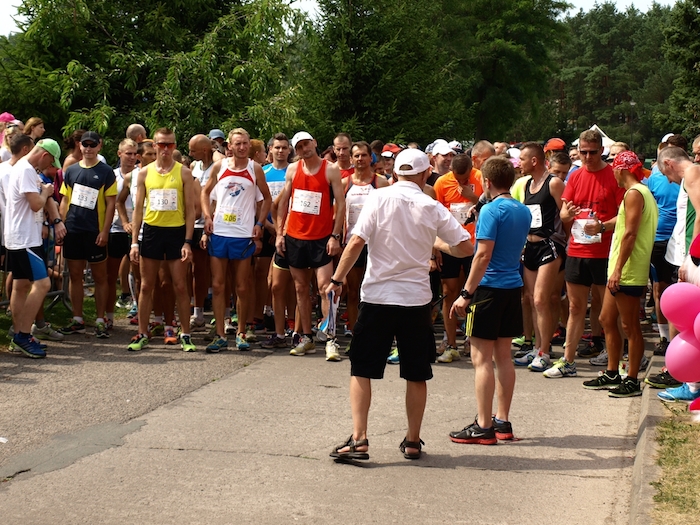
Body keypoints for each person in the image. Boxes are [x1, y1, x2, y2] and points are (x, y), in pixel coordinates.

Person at [327, 148, 473, 462]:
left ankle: (359, 438)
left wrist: (337, 280)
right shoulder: (431, 205)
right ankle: (413, 440)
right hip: (415, 300)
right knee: (416, 373)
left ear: (395, 173)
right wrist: (436, 242)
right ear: (425, 174)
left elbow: (356, 241)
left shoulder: (377, 198)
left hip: (377, 297)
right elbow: (465, 247)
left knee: (361, 368)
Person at [450, 156, 530, 444]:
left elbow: (482, 255)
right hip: (512, 286)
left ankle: (483, 425)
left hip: (488, 289)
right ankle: (502, 421)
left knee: (481, 358)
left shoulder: (491, 210)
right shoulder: (522, 210)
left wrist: (465, 293)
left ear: (487, 182)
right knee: (503, 356)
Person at [582, 151, 657, 397]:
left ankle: (632, 379)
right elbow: (624, 221)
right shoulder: (636, 192)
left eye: (614, 168)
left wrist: (618, 269)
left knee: (629, 326)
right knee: (606, 319)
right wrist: (603, 226)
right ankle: (612, 372)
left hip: (628, 270)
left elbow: (630, 234)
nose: (612, 173)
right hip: (621, 268)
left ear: (621, 170)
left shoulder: (634, 193)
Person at [275, 131, 346, 361]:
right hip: (295, 237)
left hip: (322, 238)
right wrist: (280, 234)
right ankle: (306, 337)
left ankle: (330, 339)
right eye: (299, 147)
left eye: (306, 144)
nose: (304, 149)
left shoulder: (330, 169)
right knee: (300, 289)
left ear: (314, 143)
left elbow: (341, 204)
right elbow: (283, 203)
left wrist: (335, 236)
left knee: (326, 288)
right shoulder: (293, 169)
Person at [558, 129, 625, 369]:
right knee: (576, 307)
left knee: (608, 310)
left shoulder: (613, 176)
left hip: (604, 252)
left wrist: (603, 226)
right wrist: (566, 215)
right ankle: (567, 360)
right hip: (577, 250)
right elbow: (564, 213)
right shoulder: (575, 176)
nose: (587, 157)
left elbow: (625, 215)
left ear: (601, 151)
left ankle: (615, 358)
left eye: (592, 152)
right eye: (583, 152)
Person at [200, 128, 271, 352]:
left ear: (249, 145)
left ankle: (241, 331)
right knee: (218, 285)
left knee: (242, 286)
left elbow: (267, 198)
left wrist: (259, 224)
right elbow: (205, 193)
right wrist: (207, 218)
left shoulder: (255, 168)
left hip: (243, 234)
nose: (241, 147)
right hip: (220, 232)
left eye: (245, 143)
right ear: (229, 146)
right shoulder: (220, 166)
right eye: (237, 143)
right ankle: (220, 334)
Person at [128, 128, 196, 352]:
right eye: (162, 144)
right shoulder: (144, 173)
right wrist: (134, 242)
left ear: (174, 146)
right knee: (146, 285)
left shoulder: (184, 172)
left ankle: (185, 334)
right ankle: (142, 332)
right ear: (154, 146)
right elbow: (138, 209)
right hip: (152, 232)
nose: (166, 149)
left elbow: (190, 210)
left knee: (180, 286)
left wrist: (187, 242)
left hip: (176, 232)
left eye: (170, 145)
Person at [510, 142, 566, 374]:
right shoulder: (526, 185)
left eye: (522, 159)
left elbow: (565, 215)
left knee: (542, 300)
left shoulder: (554, 183)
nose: (519, 164)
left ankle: (545, 352)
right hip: (530, 246)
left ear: (534, 161)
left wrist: (567, 245)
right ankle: (536, 348)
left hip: (550, 245)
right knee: (532, 298)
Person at [5, 140, 62, 357]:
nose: (50, 166)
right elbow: (36, 204)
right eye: (51, 161)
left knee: (20, 285)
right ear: (44, 155)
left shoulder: (23, 168)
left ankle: (18, 335)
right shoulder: (27, 170)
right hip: (25, 238)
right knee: (43, 283)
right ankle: (23, 334)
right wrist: (46, 191)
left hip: (20, 236)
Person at [59, 131, 117, 338]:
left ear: (100, 146)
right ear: (80, 145)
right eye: (86, 144)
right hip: (73, 229)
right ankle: (77, 319)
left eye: (93, 145)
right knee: (75, 276)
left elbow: (111, 204)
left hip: (95, 230)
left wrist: (105, 230)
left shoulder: (106, 172)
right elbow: (65, 199)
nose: (89, 148)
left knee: (100, 277)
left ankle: (101, 320)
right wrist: (61, 224)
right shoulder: (72, 170)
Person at [432, 153, 482, 362]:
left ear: (471, 169)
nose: (461, 182)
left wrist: (473, 197)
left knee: (473, 293)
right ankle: (451, 343)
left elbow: (490, 206)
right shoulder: (442, 183)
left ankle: (471, 339)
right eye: (457, 178)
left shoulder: (480, 178)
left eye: (465, 178)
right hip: (450, 245)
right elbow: (434, 215)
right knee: (448, 292)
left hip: (474, 244)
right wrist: (435, 250)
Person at [342, 141, 389, 339]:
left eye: (364, 155)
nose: (360, 159)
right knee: (353, 291)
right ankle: (356, 335)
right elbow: (338, 214)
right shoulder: (345, 183)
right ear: (351, 159)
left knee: (376, 291)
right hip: (352, 242)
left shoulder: (381, 183)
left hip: (375, 244)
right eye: (357, 156)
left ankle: (376, 334)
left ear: (371, 158)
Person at [187, 134, 216, 332]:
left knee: (219, 272)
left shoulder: (218, 166)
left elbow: (216, 198)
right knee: (196, 270)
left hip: (214, 224)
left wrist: (209, 219)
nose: (190, 154)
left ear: (204, 150)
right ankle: (197, 313)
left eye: (193, 150)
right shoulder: (194, 167)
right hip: (195, 225)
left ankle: (226, 316)